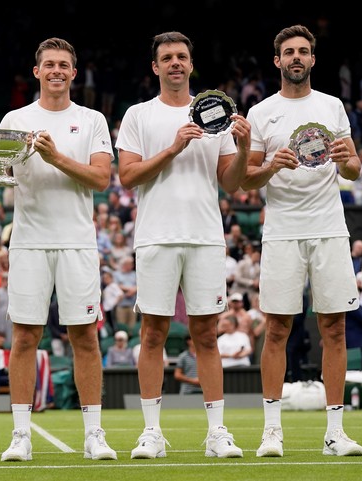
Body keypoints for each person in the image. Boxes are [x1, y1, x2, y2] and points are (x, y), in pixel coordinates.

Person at [0, 37, 117, 462]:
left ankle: (94, 434)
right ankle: (20, 435)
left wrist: (56, 156)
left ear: (73, 73)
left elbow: (100, 180)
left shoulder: (92, 119)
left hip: (77, 243)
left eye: (64, 64)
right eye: (49, 64)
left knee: (85, 337)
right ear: (37, 71)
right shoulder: (15, 118)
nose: (57, 70)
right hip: (28, 241)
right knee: (24, 337)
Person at [116, 31, 251, 460]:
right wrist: (175, 146)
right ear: (155, 67)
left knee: (207, 336)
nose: (175, 63)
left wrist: (244, 148)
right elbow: (128, 176)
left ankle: (217, 433)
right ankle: (152, 432)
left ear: (191, 65)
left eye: (182, 57)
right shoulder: (138, 115)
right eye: (167, 57)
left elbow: (230, 183)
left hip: (205, 237)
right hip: (156, 237)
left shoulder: (218, 116)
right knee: (152, 333)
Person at [241, 25, 362, 457]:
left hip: (329, 227)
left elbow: (353, 171)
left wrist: (348, 160)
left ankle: (335, 432)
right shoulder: (261, 113)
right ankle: (271, 431)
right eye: (289, 52)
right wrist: (272, 165)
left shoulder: (332, 106)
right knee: (277, 328)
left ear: (312, 60)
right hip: (282, 230)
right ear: (277, 61)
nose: (296, 57)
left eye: (304, 52)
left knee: (335, 327)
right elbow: (246, 179)